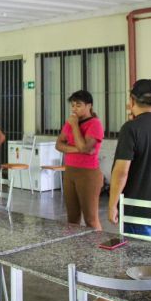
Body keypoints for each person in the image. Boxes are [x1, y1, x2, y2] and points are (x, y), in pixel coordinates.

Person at [108, 79, 151, 238]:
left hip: (137, 212)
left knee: (137, 254)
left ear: (132, 100)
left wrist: (112, 205)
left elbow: (121, 172)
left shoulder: (131, 128)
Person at [55, 90, 104, 230]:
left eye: (78, 105)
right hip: (70, 171)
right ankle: (74, 243)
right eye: (72, 105)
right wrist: (79, 149)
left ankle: (97, 243)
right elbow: (58, 145)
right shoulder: (70, 122)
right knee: (72, 218)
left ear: (89, 106)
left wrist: (75, 126)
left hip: (88, 174)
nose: (74, 109)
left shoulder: (95, 124)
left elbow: (85, 147)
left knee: (91, 219)